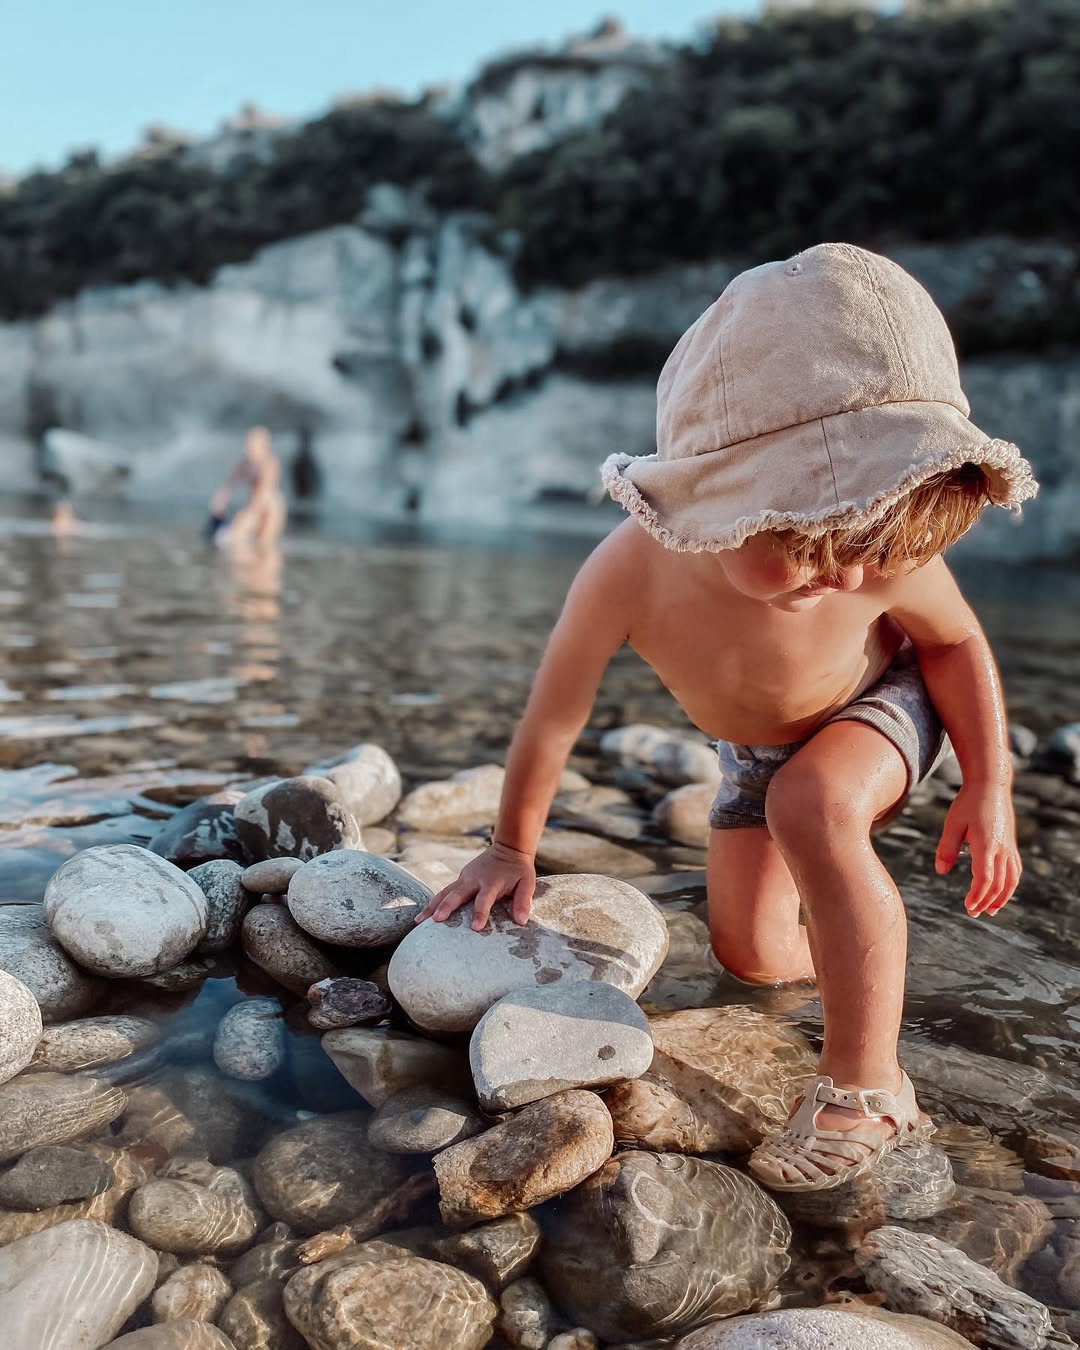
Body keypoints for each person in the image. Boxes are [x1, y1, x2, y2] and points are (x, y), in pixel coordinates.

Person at [414, 243, 1039, 1194]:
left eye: (871, 549)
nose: (849, 575)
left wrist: (990, 786)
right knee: (753, 956)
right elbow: (556, 714)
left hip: (885, 705)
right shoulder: (626, 571)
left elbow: (953, 645)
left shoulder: (873, 539)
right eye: (805, 544)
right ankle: (842, 1003)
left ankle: (869, 1089)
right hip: (752, 753)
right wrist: (510, 848)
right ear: (713, 496)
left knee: (813, 806)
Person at [208, 426, 287, 547]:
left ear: (263, 445)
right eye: (248, 443)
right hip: (256, 503)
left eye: (253, 444)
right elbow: (230, 483)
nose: (248, 447)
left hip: (271, 507)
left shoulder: (269, 462)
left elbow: (264, 490)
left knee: (264, 544)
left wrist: (249, 513)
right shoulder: (246, 462)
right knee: (240, 536)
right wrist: (221, 500)